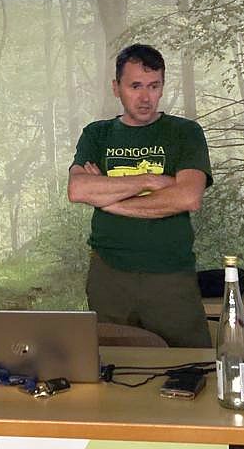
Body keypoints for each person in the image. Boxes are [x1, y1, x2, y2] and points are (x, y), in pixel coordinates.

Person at [68, 43, 212, 347]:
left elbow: (188, 197)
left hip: (171, 276)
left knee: (190, 364)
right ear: (116, 88)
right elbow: (78, 189)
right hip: (108, 274)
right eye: (135, 86)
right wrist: (149, 180)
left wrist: (109, 200)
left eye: (153, 86)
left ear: (162, 87)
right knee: (112, 364)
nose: (145, 97)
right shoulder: (97, 134)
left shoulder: (184, 132)